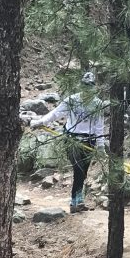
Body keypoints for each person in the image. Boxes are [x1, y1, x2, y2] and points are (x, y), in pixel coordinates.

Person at [30, 72, 106, 213]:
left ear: (94, 87)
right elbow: (56, 113)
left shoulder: (98, 104)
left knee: (83, 172)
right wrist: (41, 122)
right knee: (78, 169)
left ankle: (76, 201)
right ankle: (76, 201)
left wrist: (101, 145)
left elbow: (99, 126)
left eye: (90, 86)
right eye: (85, 85)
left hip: (89, 141)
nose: (87, 89)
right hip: (72, 139)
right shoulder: (72, 100)